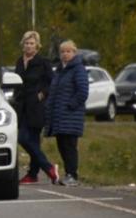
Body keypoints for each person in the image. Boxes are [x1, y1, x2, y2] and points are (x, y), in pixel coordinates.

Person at [14, 31, 59, 185]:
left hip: (36, 106)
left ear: (37, 46)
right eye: (26, 43)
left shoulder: (43, 62)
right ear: (23, 45)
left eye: (32, 43)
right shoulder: (20, 61)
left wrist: (43, 94)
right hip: (21, 106)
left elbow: (52, 81)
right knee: (30, 141)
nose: (28, 46)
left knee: (26, 139)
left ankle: (48, 168)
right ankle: (34, 174)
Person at [46, 39, 89, 186]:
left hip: (71, 116)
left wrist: (70, 105)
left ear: (74, 53)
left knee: (70, 146)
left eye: (68, 51)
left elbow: (82, 92)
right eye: (63, 52)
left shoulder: (78, 69)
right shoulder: (59, 71)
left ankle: (73, 175)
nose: (65, 54)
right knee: (62, 145)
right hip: (59, 117)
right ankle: (68, 173)